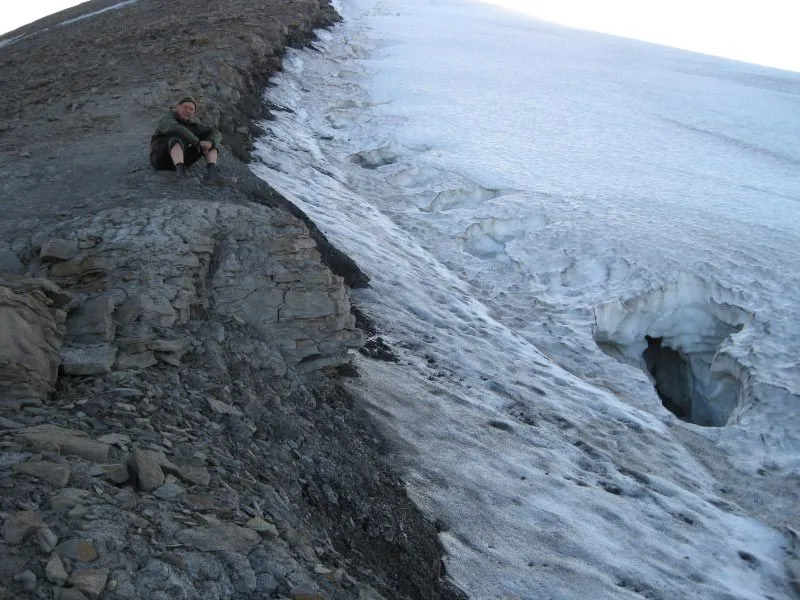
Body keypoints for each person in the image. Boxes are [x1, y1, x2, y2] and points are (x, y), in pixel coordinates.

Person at [149, 96, 233, 184]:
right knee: (176, 137)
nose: (188, 111)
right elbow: (176, 128)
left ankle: (212, 174)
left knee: (209, 139)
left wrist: (210, 142)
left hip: (183, 160)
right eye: (185, 107)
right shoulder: (167, 118)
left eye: (191, 109)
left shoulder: (193, 125)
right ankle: (181, 176)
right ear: (178, 107)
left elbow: (216, 132)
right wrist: (197, 142)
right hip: (160, 160)